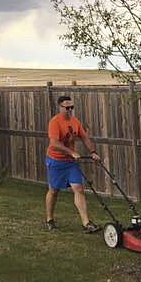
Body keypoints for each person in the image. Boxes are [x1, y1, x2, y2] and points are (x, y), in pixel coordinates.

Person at [45, 94, 101, 232]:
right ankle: (49, 219)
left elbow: (84, 137)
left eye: (72, 107)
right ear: (60, 107)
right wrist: (71, 152)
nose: (70, 110)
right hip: (56, 161)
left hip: (70, 163)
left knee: (79, 189)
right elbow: (54, 143)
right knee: (54, 190)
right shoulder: (55, 122)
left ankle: (86, 223)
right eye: (67, 107)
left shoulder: (75, 121)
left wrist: (93, 152)